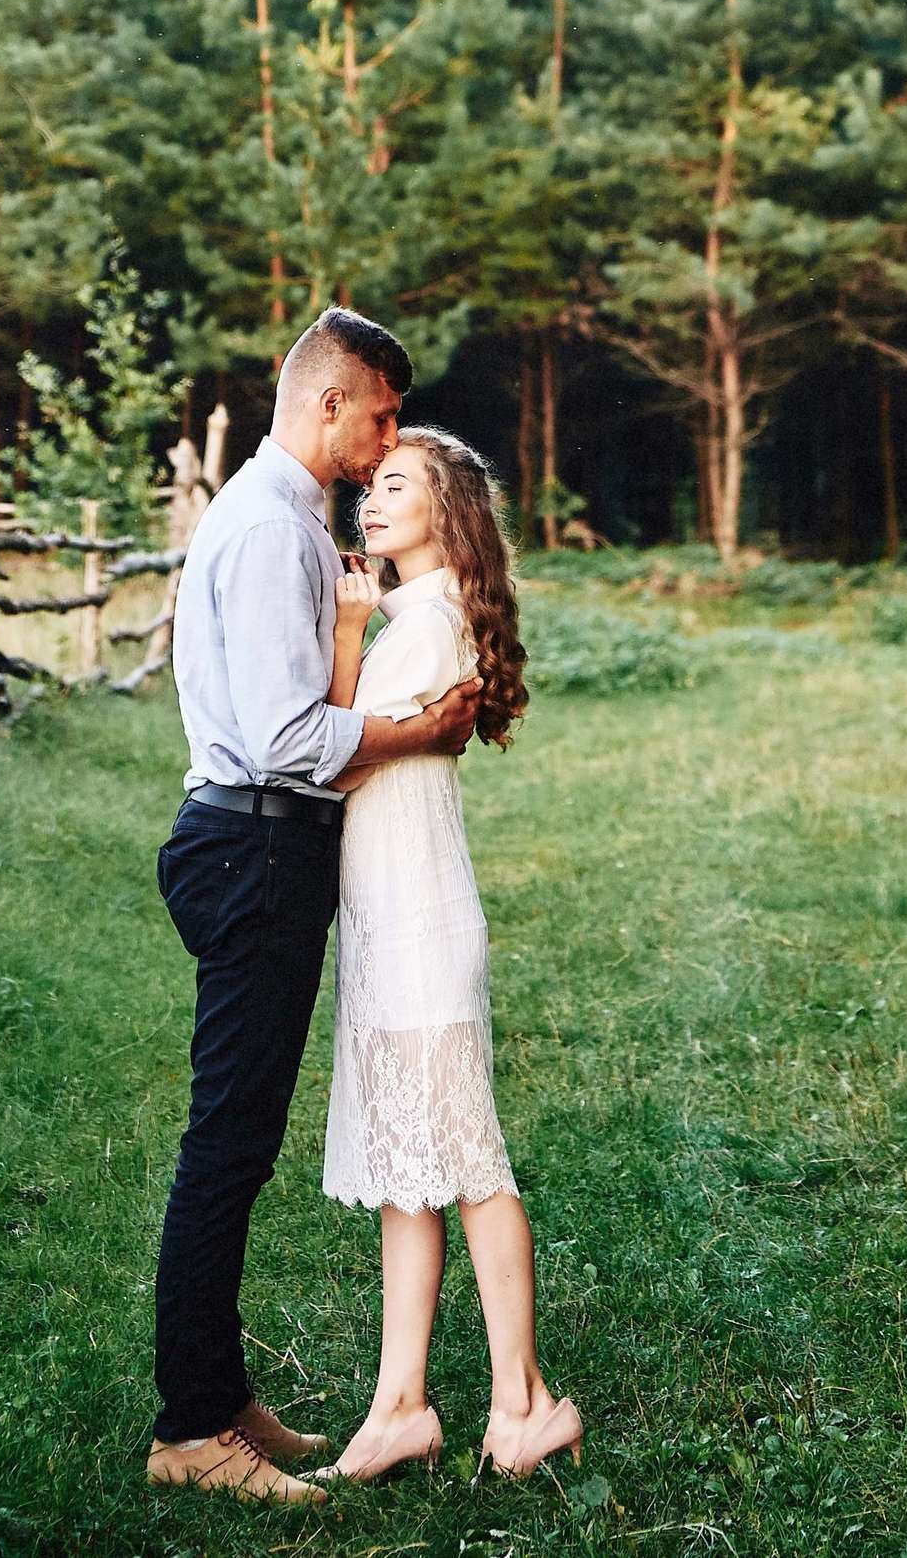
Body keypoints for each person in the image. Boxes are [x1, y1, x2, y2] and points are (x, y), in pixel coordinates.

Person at [145, 309, 482, 1504]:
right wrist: (420, 729)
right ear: (330, 402)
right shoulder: (269, 529)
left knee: (238, 1143)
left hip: (260, 847)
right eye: (382, 414)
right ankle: (190, 1428)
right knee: (224, 1145)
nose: (388, 437)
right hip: (251, 846)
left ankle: (220, 1390)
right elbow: (289, 737)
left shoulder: (284, 517)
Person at [322, 426, 584, 1485]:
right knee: (407, 1169)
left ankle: (522, 1400)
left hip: (419, 926)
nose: (371, 501)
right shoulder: (416, 618)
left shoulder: (421, 627)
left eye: (397, 486)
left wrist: (344, 628)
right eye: (369, 486)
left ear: (449, 510)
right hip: (393, 921)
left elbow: (332, 760)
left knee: (466, 1162)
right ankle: (401, 1405)